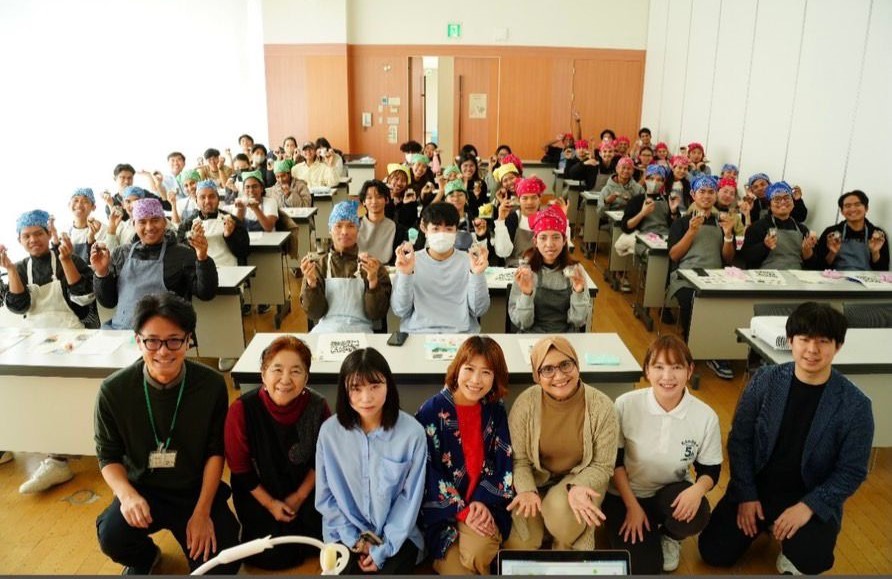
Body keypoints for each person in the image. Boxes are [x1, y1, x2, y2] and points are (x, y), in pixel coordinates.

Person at [698, 302, 874, 575]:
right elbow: (740, 440)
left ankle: (789, 540)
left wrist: (808, 506)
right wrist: (746, 494)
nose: (812, 350)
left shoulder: (855, 405)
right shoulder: (765, 381)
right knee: (713, 552)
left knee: (812, 561)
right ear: (791, 341)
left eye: (823, 342)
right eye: (804, 339)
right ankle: (766, 525)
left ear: (837, 346)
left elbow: (852, 471)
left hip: (808, 495)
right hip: (758, 489)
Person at [94, 294, 240, 575]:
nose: (163, 351)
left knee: (223, 563)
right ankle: (146, 557)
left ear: (188, 340)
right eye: (152, 341)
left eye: (174, 340)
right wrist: (127, 496)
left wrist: (202, 512)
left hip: (194, 489)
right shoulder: (114, 390)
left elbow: (215, 452)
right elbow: (107, 456)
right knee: (113, 535)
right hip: (143, 489)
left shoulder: (210, 385)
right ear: (138, 341)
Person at [602, 335, 722, 574]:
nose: (667, 376)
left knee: (698, 513)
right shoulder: (625, 405)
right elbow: (614, 462)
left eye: (676, 367)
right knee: (644, 567)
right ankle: (634, 528)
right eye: (658, 367)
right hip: (624, 495)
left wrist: (697, 490)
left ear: (689, 370)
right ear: (647, 371)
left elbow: (711, 469)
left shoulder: (705, 416)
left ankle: (670, 536)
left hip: (669, 492)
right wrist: (632, 506)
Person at [0, 210, 97, 493]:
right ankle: (51, 455)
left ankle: (72, 452)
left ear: (47, 234)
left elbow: (84, 298)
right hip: (37, 341)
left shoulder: (69, 258)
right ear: (19, 240)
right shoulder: (19, 267)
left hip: (76, 337)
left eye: (38, 234)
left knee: (74, 393)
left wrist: (66, 261)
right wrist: (11, 270)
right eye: (26, 236)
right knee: (36, 391)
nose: (33, 240)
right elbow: (19, 306)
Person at [315, 347, 426, 574]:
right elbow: (326, 498)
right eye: (356, 388)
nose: (366, 398)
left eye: (375, 386)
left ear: (388, 386)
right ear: (344, 390)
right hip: (343, 533)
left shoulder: (412, 434)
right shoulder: (329, 433)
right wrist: (354, 541)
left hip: (396, 535)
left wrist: (382, 550)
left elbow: (409, 500)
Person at [224, 336, 330, 569]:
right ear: (263, 374)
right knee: (273, 556)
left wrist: (299, 496)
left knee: (323, 539)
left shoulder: (318, 407)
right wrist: (271, 504)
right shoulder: (242, 410)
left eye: (296, 371)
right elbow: (240, 469)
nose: (285, 380)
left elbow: (322, 460)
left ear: (306, 377)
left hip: (305, 489)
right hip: (259, 493)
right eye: (277, 370)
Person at [504, 336, 618, 552]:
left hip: (579, 479)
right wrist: (526, 490)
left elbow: (602, 465)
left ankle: (561, 541)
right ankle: (545, 523)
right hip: (536, 481)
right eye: (548, 369)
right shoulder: (525, 403)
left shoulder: (602, 406)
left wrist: (578, 486)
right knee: (519, 544)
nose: (559, 375)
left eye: (566, 364)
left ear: (577, 364)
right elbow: (519, 460)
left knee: (561, 516)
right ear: (537, 376)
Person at [415, 337, 514, 575]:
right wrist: (461, 510)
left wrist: (480, 501)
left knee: (477, 554)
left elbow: (503, 460)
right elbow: (426, 472)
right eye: (469, 369)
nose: (476, 380)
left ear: (495, 377)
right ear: (457, 368)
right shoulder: (430, 412)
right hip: (443, 515)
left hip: (484, 505)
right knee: (460, 571)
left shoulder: (495, 410)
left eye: (486, 372)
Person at [93, 198, 218, 330]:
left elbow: (206, 293)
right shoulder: (121, 254)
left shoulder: (182, 254)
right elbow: (108, 302)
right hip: (123, 332)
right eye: (142, 222)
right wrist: (101, 273)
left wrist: (202, 258)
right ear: (134, 224)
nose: (149, 227)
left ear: (164, 222)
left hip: (166, 336)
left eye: (155, 220)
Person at [666, 176, 736, 380]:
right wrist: (691, 232)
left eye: (711, 192)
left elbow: (728, 258)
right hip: (685, 277)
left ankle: (719, 350)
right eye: (702, 192)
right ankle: (692, 350)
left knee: (730, 303)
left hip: (715, 276)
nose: (706, 196)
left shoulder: (722, 222)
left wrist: (728, 235)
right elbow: (674, 256)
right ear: (693, 195)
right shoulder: (681, 223)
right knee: (693, 300)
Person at [391, 202, 490, 334]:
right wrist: (405, 275)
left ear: (456, 231)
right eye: (436, 229)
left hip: (461, 334)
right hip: (418, 333)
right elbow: (400, 310)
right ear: (425, 229)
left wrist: (477, 275)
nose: (442, 234)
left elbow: (479, 310)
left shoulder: (470, 261)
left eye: (448, 229)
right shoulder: (410, 261)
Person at [300, 201, 391, 333]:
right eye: (338, 226)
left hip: (361, 332)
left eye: (350, 226)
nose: (344, 232)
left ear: (358, 230)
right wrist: (311, 284)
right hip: (326, 332)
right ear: (330, 230)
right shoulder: (318, 266)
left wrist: (373, 282)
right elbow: (314, 313)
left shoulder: (372, 266)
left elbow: (376, 314)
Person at [508, 205, 591, 333]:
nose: (549, 244)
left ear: (564, 240)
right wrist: (526, 294)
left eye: (556, 237)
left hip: (566, 337)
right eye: (543, 237)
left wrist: (578, 291)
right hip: (531, 337)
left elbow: (578, 321)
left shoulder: (575, 270)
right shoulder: (526, 271)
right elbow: (522, 323)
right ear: (535, 241)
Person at [740, 181, 818, 270]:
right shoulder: (757, 227)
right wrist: (765, 246)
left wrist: (808, 251)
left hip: (796, 275)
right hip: (767, 275)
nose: (783, 202)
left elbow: (813, 265)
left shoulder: (802, 229)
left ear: (793, 203)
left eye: (787, 198)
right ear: (769, 205)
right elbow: (746, 257)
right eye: (777, 199)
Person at [176, 180, 249, 268]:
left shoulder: (232, 221)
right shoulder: (186, 225)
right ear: (196, 201)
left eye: (212, 197)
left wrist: (230, 236)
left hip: (231, 268)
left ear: (218, 199)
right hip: (201, 271)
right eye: (202, 197)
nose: (207, 201)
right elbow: (182, 257)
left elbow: (244, 252)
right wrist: (193, 242)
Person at [815, 189, 889, 271]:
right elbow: (819, 267)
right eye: (847, 206)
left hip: (867, 278)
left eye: (857, 204)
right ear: (842, 211)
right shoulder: (831, 233)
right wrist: (832, 253)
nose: (853, 209)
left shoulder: (877, 235)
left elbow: (883, 270)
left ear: (866, 208)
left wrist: (875, 252)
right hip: (837, 277)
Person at [493, 176, 553, 267]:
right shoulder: (513, 218)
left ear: (539, 199)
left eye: (534, 197)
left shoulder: (546, 219)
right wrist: (501, 220)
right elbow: (503, 252)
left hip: (539, 268)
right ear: (519, 200)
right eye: (525, 198)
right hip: (514, 267)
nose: (529, 202)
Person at [357, 179, 409, 265]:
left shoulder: (398, 229)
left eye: (379, 197)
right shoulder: (354, 225)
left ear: (387, 200)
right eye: (369, 198)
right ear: (363, 202)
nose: (374, 201)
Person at [743, 172, 807, 224]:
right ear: (752, 191)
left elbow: (801, 218)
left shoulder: (783, 200)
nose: (760, 188)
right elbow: (745, 223)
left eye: (763, 184)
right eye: (755, 187)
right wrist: (748, 208)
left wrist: (798, 200)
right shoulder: (754, 204)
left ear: (770, 185)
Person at [66, 188, 106, 262]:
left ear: (93, 207)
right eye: (76, 200)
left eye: (85, 201)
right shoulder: (66, 233)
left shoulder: (102, 229)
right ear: (69, 205)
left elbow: (101, 261)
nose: (79, 205)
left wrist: (91, 237)